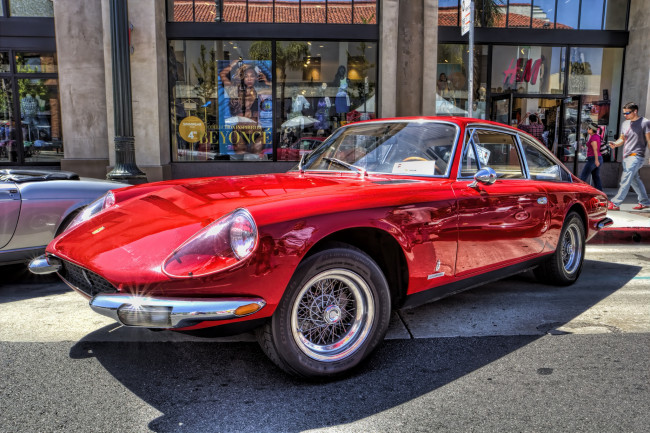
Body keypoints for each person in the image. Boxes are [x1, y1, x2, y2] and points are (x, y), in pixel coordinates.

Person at [607, 102, 650, 210]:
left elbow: (649, 140)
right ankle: (645, 202)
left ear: (635, 111)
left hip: (636, 155)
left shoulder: (645, 123)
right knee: (635, 180)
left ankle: (615, 203)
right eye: (624, 113)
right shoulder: (625, 123)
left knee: (625, 179)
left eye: (627, 113)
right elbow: (622, 139)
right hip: (626, 156)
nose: (625, 115)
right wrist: (615, 144)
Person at [579, 123, 603, 191]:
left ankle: (580, 191)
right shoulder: (597, 136)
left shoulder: (593, 138)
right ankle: (600, 192)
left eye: (588, 128)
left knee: (583, 176)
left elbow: (595, 150)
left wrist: (596, 160)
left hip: (593, 159)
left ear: (591, 129)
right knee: (596, 177)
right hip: (597, 158)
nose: (587, 130)